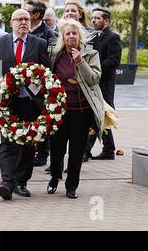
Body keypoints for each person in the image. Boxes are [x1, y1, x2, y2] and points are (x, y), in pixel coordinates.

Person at [0, 9, 49, 200]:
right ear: (11, 22)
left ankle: (21, 182)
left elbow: (46, 72)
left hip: (31, 102)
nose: (23, 22)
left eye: (26, 19)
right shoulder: (0, 43)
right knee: (7, 142)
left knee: (28, 144)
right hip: (8, 102)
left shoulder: (39, 44)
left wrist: (35, 85)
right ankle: (7, 182)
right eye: (19, 19)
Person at [47, 18, 105, 199]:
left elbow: (94, 79)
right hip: (60, 110)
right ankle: (55, 177)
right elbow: (49, 76)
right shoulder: (55, 54)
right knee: (57, 148)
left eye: (74, 33)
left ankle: (71, 185)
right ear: (62, 37)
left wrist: (80, 61)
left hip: (81, 111)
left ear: (80, 35)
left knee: (77, 150)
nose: (71, 36)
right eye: (68, 33)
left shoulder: (91, 53)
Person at [86, 7, 122, 161]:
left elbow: (114, 61)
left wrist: (96, 68)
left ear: (106, 21)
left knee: (100, 115)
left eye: (97, 18)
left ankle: (85, 151)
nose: (93, 20)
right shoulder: (92, 36)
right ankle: (109, 149)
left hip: (105, 84)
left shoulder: (113, 38)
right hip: (92, 82)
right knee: (102, 116)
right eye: (92, 18)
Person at [25, 0, 57, 167]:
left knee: (42, 117)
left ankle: (42, 153)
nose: (24, 16)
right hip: (22, 84)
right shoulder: (23, 30)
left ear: (36, 15)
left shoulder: (49, 34)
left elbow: (51, 61)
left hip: (39, 84)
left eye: (27, 12)